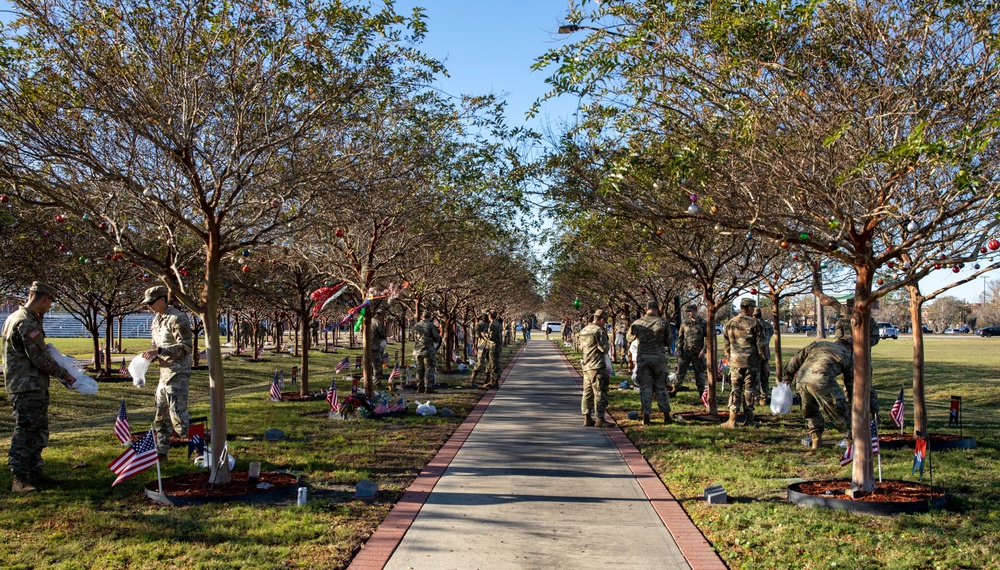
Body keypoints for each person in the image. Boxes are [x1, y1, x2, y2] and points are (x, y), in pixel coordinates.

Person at [2, 282, 77, 493]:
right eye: (50, 302)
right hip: (27, 386)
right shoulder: (26, 322)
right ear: (44, 299)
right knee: (25, 430)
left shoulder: (16, 317)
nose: (49, 306)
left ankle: (35, 472)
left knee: (38, 429)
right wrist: (64, 374)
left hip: (30, 384)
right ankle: (19, 477)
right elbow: (39, 358)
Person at [140, 286, 194, 461]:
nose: (149, 307)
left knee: (179, 417)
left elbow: (186, 347)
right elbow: (155, 346)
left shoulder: (178, 318)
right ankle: (161, 452)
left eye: (152, 302)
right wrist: (150, 356)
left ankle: (204, 451)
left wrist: (160, 351)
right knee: (161, 416)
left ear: (163, 299)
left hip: (177, 374)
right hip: (164, 375)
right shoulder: (157, 320)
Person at [784, 338, 854, 453]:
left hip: (802, 379)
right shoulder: (847, 354)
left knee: (810, 411)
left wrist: (788, 377)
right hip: (822, 380)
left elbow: (794, 361)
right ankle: (852, 444)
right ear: (849, 347)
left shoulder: (818, 344)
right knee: (839, 412)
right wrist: (851, 401)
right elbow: (850, 382)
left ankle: (816, 442)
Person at [722, 298, 768, 428]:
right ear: (748, 308)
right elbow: (762, 345)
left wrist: (730, 358)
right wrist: (764, 360)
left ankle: (732, 419)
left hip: (735, 362)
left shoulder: (730, 323)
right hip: (751, 363)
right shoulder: (755, 324)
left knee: (735, 389)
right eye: (753, 308)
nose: (754, 310)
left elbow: (726, 345)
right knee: (749, 390)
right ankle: (749, 418)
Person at [627, 300, 673, 425]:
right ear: (657, 309)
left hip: (643, 359)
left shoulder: (638, 323)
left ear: (646, 308)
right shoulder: (663, 322)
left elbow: (629, 338)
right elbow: (669, 341)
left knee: (645, 388)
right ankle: (666, 415)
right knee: (661, 387)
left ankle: (646, 416)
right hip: (658, 358)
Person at [833, 298, 880, 414]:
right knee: (849, 388)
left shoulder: (868, 320)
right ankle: (853, 413)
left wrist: (863, 343)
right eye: (849, 307)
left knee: (867, 387)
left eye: (852, 307)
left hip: (863, 360)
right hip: (848, 359)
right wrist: (846, 344)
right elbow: (837, 339)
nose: (851, 309)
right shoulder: (842, 322)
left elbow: (875, 337)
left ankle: (873, 414)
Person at [579, 309, 611, 427]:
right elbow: (604, 349)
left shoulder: (583, 330)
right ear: (601, 319)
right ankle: (600, 418)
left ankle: (587, 417)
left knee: (587, 392)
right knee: (600, 392)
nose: (604, 324)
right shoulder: (599, 331)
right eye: (604, 321)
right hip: (597, 365)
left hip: (586, 365)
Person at [670, 304, 707, 397]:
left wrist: (704, 351)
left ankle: (701, 392)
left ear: (695, 310)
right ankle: (674, 389)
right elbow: (680, 338)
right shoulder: (685, 323)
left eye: (690, 311)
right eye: (687, 312)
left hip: (698, 353)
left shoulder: (703, 323)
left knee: (699, 373)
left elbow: (708, 339)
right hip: (685, 352)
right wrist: (678, 349)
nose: (688, 314)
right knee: (680, 371)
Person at [411, 312, 441, 393]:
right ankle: (428, 387)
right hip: (428, 351)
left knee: (419, 369)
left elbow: (413, 337)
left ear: (422, 317)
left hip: (417, 351)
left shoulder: (416, 326)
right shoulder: (431, 325)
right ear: (429, 317)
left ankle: (419, 387)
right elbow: (436, 338)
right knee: (429, 369)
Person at [754, 308, 775, 405]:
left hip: (754, 354)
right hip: (765, 354)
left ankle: (756, 398)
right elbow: (768, 339)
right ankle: (764, 397)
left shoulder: (752, 325)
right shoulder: (768, 326)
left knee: (756, 376)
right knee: (765, 376)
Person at [470, 314, 493, 386]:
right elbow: (476, 334)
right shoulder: (479, 324)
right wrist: (482, 334)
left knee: (489, 363)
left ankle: (487, 379)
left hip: (489, 345)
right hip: (482, 345)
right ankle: (472, 378)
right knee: (480, 363)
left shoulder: (491, 324)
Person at [488, 310, 504, 388]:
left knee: (494, 364)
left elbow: (491, 337)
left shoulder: (493, 324)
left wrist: (484, 335)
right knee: (495, 363)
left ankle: (494, 381)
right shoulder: (498, 323)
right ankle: (493, 380)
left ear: (490, 316)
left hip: (494, 345)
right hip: (498, 345)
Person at [370, 311, 387, 382]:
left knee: (369, 363)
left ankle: (369, 379)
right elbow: (383, 334)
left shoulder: (366, 321)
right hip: (375, 346)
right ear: (379, 315)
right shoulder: (378, 323)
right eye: (382, 316)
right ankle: (377, 381)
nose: (382, 318)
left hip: (367, 346)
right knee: (377, 364)